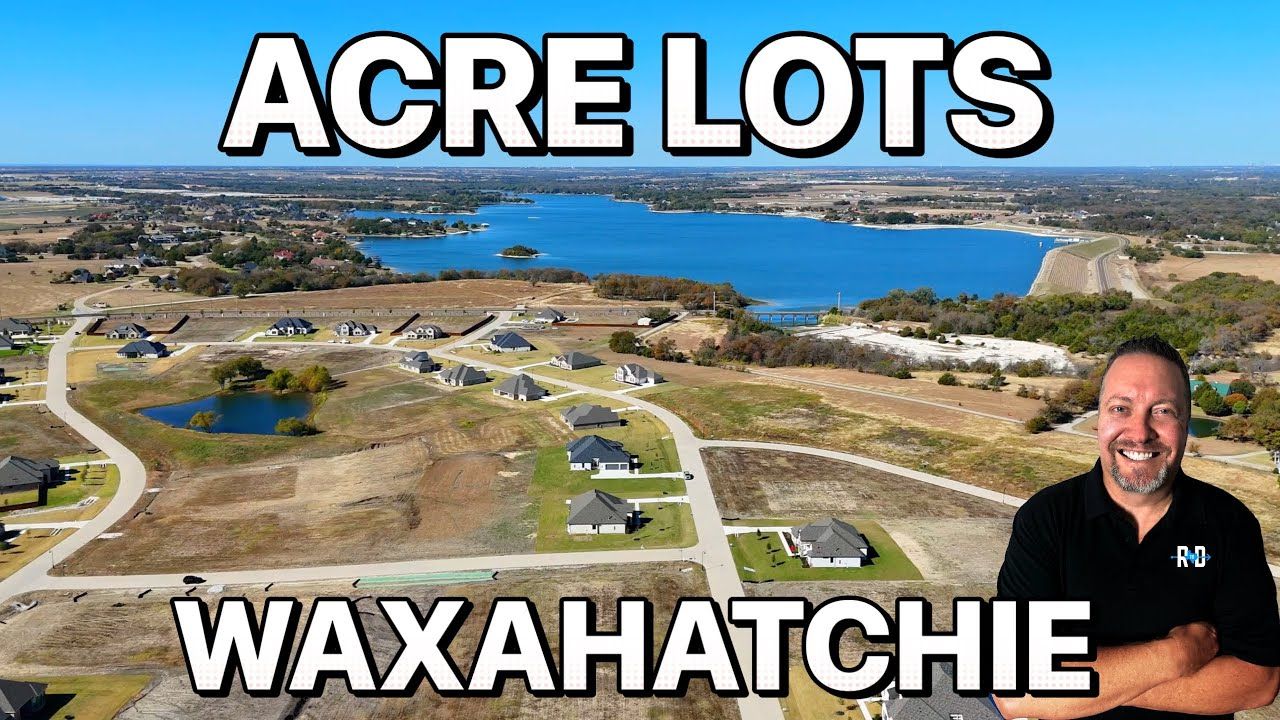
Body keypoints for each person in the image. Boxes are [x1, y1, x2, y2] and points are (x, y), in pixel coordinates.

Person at [995, 336, 1280, 719]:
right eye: (1120, 408)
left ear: (1185, 423)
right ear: (1099, 420)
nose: (1140, 432)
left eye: (1162, 411)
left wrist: (1080, 684)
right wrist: (1174, 655)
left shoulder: (1229, 523)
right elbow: (1017, 690)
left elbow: (1259, 681)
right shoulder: (1045, 518)